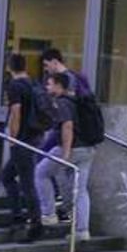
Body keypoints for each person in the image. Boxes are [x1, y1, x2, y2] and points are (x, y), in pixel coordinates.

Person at [34, 69, 102, 238]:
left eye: (49, 84)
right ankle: (82, 230)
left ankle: (49, 213)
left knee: (41, 173)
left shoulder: (63, 102)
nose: (47, 88)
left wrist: (65, 152)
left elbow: (67, 126)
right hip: (88, 149)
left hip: (72, 148)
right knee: (81, 190)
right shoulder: (78, 100)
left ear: (58, 86)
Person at [0, 54, 44, 242]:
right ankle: (17, 216)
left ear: (9, 67)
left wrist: (12, 138)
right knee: (8, 176)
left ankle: (36, 224)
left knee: (27, 183)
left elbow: (16, 112)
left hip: (23, 139)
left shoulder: (15, 86)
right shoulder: (33, 84)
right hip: (35, 136)